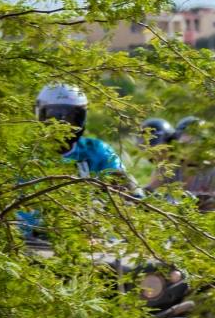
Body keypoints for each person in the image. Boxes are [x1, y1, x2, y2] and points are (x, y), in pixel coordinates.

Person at [17, 83, 135, 240]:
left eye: (71, 118)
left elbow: (126, 189)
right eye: (55, 117)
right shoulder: (25, 155)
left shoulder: (98, 151)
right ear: (40, 116)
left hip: (94, 239)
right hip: (32, 240)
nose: (63, 125)